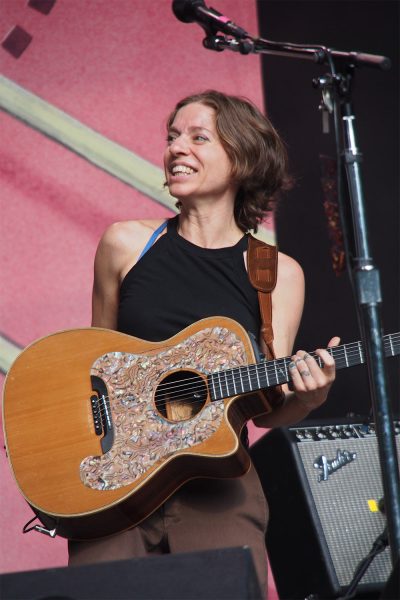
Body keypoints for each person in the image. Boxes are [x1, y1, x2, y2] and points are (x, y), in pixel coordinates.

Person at [68, 90, 339, 595]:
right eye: (172, 137)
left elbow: (266, 409)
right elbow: (88, 366)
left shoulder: (278, 274)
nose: (176, 148)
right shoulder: (126, 244)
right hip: (115, 484)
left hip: (219, 487)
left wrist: (309, 397)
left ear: (242, 158)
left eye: (197, 137)